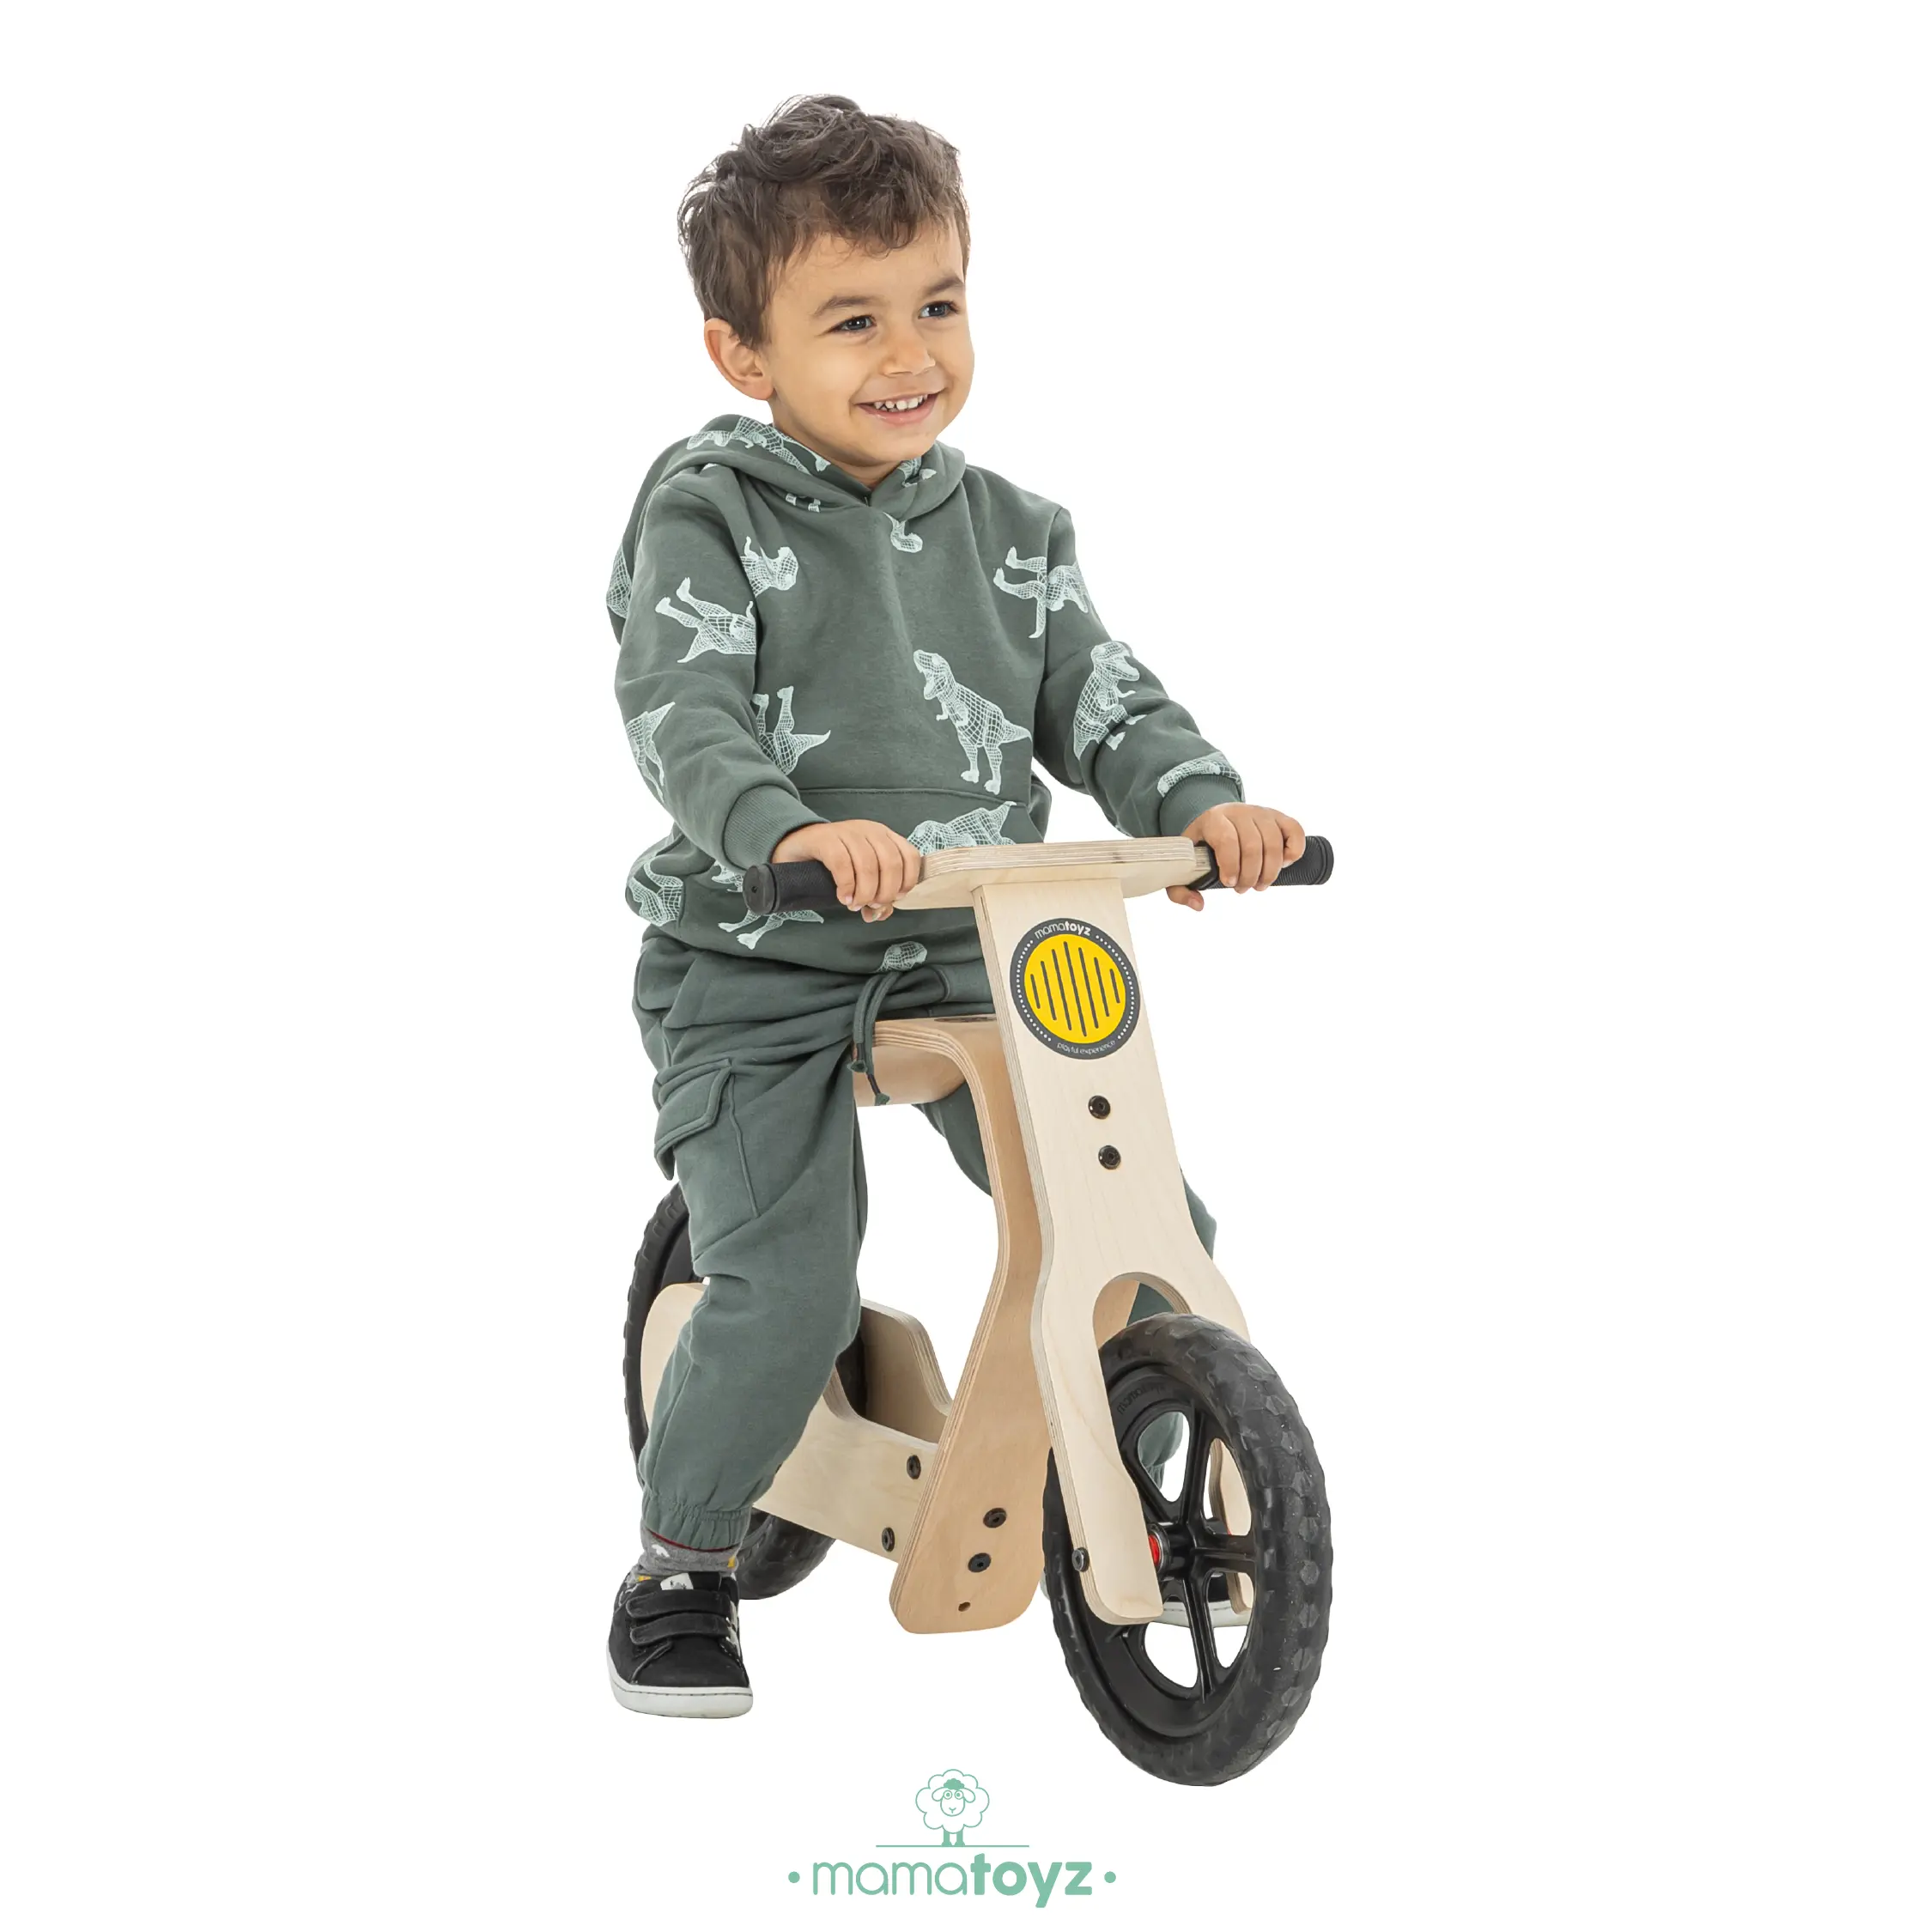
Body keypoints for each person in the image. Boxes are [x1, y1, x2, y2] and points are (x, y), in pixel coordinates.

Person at [604, 94, 1306, 1717]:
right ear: (743, 354)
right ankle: (681, 1560)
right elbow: (683, 710)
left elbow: (1101, 699)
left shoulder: (1011, 535)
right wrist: (787, 827)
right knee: (789, 1281)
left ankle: (1132, 1484)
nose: (908, 351)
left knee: (1150, 1235)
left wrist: (1199, 805)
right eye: (851, 320)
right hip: (761, 957)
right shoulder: (709, 512)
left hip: (980, 941)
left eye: (936, 302)